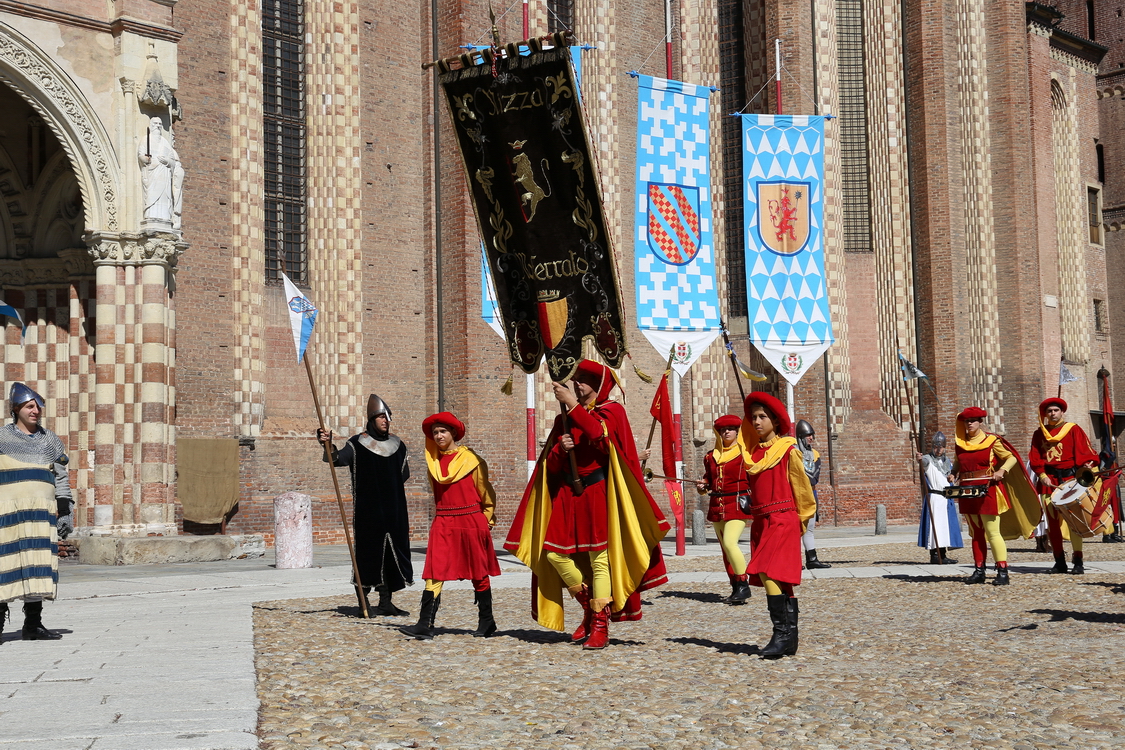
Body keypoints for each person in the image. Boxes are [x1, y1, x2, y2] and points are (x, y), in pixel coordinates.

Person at [504, 359, 670, 650]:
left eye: (583, 379)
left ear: (599, 385)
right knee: (555, 555)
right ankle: (591, 608)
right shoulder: (564, 420)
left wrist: (572, 404)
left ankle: (599, 624)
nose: (577, 383)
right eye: (576, 378)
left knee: (599, 559)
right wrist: (559, 449)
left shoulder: (611, 411)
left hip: (598, 491)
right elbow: (551, 467)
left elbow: (599, 436)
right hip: (568, 494)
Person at [401, 412, 501, 640]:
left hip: (470, 520)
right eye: (435, 432)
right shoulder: (433, 463)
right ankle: (425, 623)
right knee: (434, 570)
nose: (438, 436)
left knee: (478, 572)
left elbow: (486, 493)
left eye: (443, 431)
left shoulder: (472, 461)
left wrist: (487, 520)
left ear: (453, 433)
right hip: (444, 520)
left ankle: (487, 621)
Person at [317, 393, 413, 617]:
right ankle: (363, 601)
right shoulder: (357, 444)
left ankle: (386, 601)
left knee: (392, 555)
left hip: (395, 511)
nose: (385, 420)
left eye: (387, 417)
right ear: (371, 419)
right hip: (368, 512)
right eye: (380, 417)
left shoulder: (399, 446)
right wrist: (327, 444)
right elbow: (337, 459)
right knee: (368, 554)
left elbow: (403, 475)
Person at [741, 392, 816, 659]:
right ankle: (789, 638)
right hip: (761, 521)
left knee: (767, 572)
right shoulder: (753, 454)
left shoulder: (787, 451)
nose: (757, 422)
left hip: (783, 518)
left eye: (762, 417)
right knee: (781, 581)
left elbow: (801, 489)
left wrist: (801, 521)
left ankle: (781, 633)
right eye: (754, 418)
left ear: (774, 419)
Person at [0, 383, 68, 641]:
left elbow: (61, 477)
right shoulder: (1, 438)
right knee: (5, 565)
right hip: (8, 513)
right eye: (29, 406)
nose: (35, 411)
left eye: (38, 406)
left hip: (41, 513)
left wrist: (65, 508)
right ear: (16, 409)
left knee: (37, 565)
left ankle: (33, 624)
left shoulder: (49, 440)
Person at [952, 406, 1040, 585]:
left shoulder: (991, 441)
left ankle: (1002, 571)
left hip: (988, 489)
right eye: (967, 421)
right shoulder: (960, 443)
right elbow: (957, 463)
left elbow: (1011, 457)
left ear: (980, 422)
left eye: (973, 421)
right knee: (976, 533)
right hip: (967, 490)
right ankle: (979, 570)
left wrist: (1002, 470)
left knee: (992, 532)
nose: (969, 424)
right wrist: (953, 473)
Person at [1027, 398, 1098, 574]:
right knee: (1052, 523)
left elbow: (1084, 451)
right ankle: (1059, 561)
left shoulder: (1073, 429)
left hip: (1070, 480)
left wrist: (1087, 464)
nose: (1052, 414)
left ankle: (1078, 559)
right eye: (1049, 411)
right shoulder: (1039, 433)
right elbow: (1035, 456)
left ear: (1061, 412)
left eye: (1055, 410)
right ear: (1045, 414)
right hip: (1048, 481)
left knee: (1075, 522)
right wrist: (1042, 475)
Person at [696, 414, 753, 604]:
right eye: (722, 430)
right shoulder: (711, 456)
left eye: (730, 429)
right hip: (717, 504)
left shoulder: (746, 453)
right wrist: (703, 485)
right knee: (725, 550)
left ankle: (744, 585)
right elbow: (709, 479)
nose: (726, 432)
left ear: (737, 431)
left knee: (730, 543)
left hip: (738, 502)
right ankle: (735, 588)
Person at [916, 431, 962, 564]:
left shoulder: (947, 461)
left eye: (941, 447)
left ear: (944, 447)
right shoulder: (928, 460)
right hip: (935, 498)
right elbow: (923, 461)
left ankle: (943, 554)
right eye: (936, 446)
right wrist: (919, 457)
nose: (938, 449)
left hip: (946, 499)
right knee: (935, 527)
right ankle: (935, 555)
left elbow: (952, 474)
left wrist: (952, 476)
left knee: (944, 528)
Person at [795, 420, 832, 570]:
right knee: (796, 529)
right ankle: (795, 560)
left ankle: (812, 559)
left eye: (811, 435)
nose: (810, 438)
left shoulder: (814, 454)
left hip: (811, 493)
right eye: (807, 435)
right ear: (800, 436)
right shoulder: (794, 453)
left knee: (809, 529)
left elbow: (812, 476)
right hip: (797, 494)